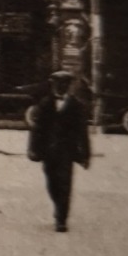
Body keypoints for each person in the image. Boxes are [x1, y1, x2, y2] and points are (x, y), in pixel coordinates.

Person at [27, 69, 91, 233]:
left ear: (68, 86)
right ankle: (57, 205)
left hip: (67, 152)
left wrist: (85, 154)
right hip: (48, 152)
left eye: (64, 84)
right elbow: (36, 129)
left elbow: (82, 132)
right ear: (53, 85)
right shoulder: (45, 103)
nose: (60, 87)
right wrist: (32, 150)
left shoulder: (77, 106)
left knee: (65, 183)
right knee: (51, 183)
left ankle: (61, 219)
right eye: (57, 84)